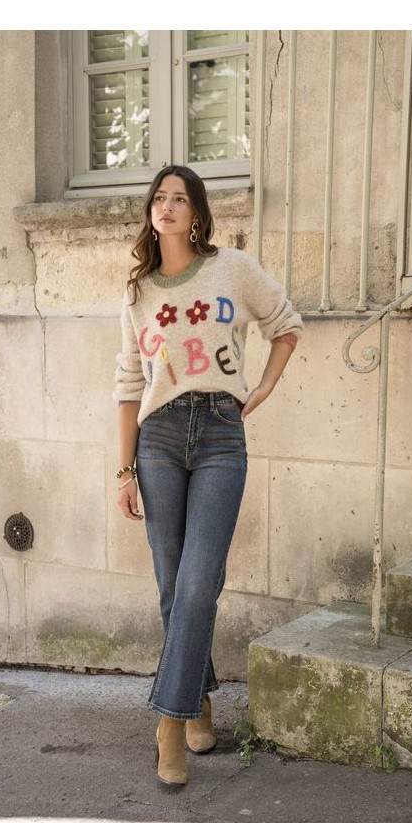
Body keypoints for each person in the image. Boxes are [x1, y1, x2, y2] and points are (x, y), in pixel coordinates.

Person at [114, 165, 302, 788]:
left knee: (199, 582)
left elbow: (285, 324)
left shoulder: (232, 269)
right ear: (151, 212)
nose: (166, 206)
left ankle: (168, 722)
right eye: (159, 198)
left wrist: (263, 386)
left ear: (196, 212)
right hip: (159, 440)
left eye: (179, 199)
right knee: (173, 585)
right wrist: (123, 470)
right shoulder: (137, 292)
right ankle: (195, 699)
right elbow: (129, 384)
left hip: (221, 433)